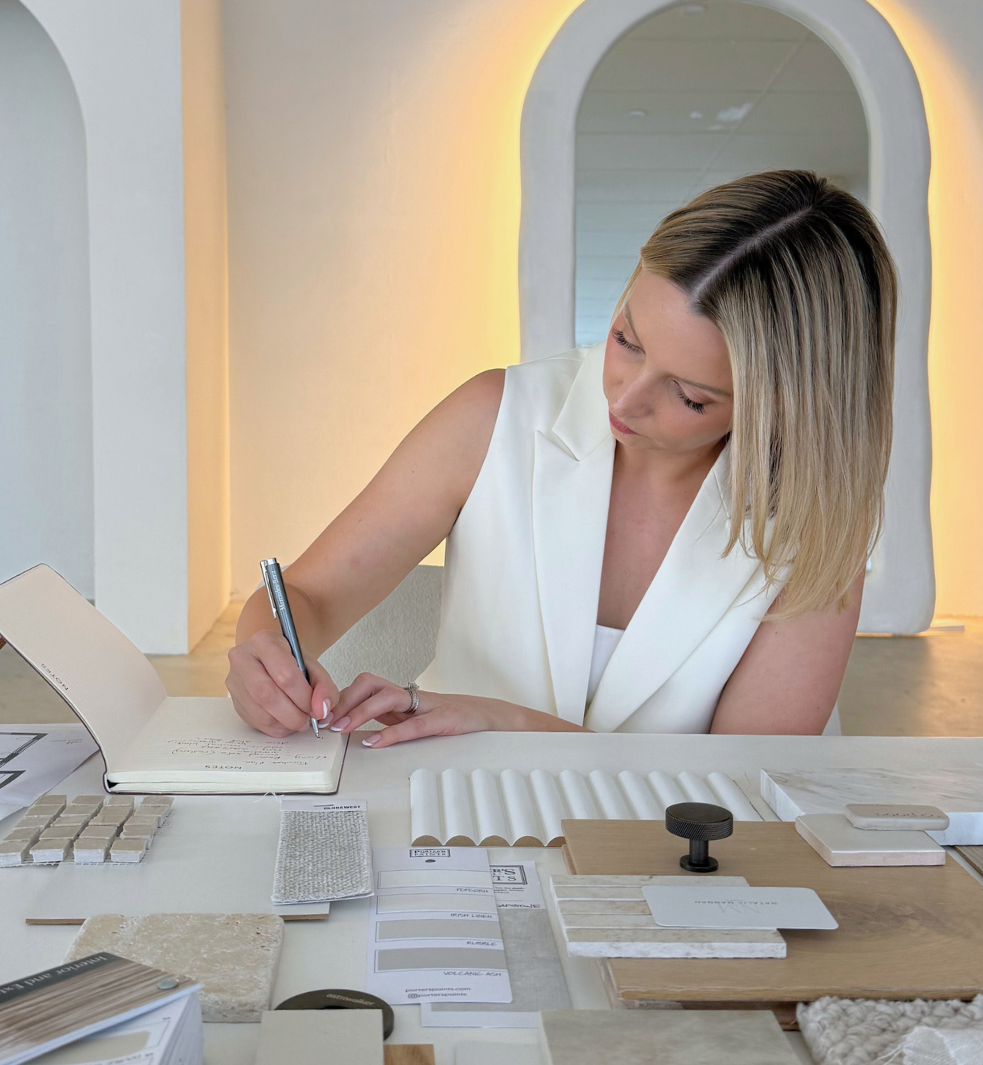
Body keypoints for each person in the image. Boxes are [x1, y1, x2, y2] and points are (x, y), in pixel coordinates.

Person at [228, 170, 897, 745]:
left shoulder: (816, 523)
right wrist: (263, 656)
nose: (625, 400)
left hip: (659, 867)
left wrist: (508, 726)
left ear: (789, 403)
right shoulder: (494, 414)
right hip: (447, 821)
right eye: (626, 339)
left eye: (690, 397)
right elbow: (309, 596)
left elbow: (739, 785)